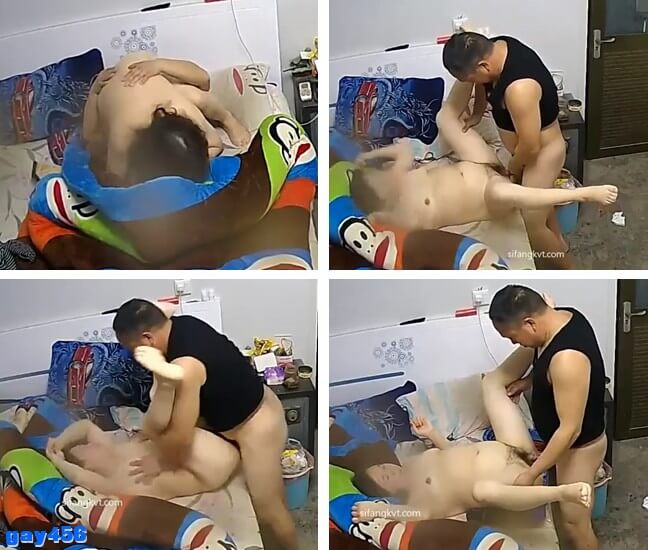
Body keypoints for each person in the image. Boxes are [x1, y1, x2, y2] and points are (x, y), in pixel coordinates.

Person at [111, 299, 298, 550]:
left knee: (269, 511)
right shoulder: (182, 324)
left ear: (148, 339)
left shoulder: (186, 366)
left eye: (134, 350)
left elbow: (182, 434)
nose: (135, 357)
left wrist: (160, 460)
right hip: (236, 415)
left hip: (258, 424)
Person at [351, 81, 617, 233]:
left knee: (445, 118)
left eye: (380, 173)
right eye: (380, 181)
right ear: (380, 201)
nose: (386, 175)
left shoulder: (399, 176)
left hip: (478, 162)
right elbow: (369, 228)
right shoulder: (399, 217)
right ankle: (583, 194)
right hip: (489, 194)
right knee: (510, 195)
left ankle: (470, 65)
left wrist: (366, 158)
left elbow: (403, 151)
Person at [350, 373, 592, 523]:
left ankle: (540, 343)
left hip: (510, 447)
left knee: (492, 384)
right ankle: (561, 493)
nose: (388, 470)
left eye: (383, 467)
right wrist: (376, 511)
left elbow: (450, 453)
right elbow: (420, 515)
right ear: (386, 492)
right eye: (384, 477)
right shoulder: (417, 500)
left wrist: (431, 434)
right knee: (482, 490)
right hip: (518, 482)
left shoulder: (414, 460)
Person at [488, 285, 606, 550]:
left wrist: (531, 473)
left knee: (575, 524)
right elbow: (546, 361)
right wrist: (529, 381)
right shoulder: (562, 317)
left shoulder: (567, 359)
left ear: (530, 323)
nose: (514, 344)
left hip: (580, 448)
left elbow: (570, 430)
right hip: (568, 444)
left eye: (513, 338)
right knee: (566, 519)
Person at [443, 32, 572, 268]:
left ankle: (568, 270)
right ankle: (558, 242)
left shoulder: (519, 89)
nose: (472, 82)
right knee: (541, 201)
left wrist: (513, 168)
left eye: (470, 77)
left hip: (543, 154)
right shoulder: (496, 47)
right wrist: (477, 112)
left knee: (531, 223)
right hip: (526, 153)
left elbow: (531, 146)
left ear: (483, 66)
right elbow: (482, 83)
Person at [83, 54, 250, 187]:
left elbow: (216, 144)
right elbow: (94, 145)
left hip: (147, 69)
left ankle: (227, 118)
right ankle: (95, 90)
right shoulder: (122, 135)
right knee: (94, 145)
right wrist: (95, 92)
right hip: (111, 85)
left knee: (201, 91)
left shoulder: (178, 106)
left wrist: (158, 65)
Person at [45, 418, 239, 500]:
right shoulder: (118, 484)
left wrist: (60, 441)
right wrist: (58, 461)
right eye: (85, 449)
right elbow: (79, 477)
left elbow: (86, 426)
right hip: (212, 466)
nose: (90, 444)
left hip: (212, 439)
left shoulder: (116, 449)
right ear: (89, 468)